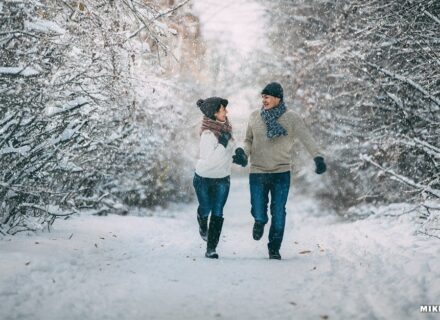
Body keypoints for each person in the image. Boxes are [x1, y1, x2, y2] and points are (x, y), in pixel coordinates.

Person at [232, 82, 327, 260]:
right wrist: (242, 153)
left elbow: (307, 138)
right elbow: (248, 140)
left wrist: (318, 157)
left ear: (278, 98)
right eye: (262, 97)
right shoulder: (254, 116)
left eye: (267, 96)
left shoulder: (292, 118)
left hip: (281, 172)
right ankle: (260, 221)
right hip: (258, 171)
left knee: (279, 210)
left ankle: (274, 247)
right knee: (258, 209)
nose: (264, 100)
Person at [193, 97, 235, 259]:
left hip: (222, 178)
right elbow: (211, 159)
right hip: (203, 178)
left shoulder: (227, 129)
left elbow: (231, 149)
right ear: (215, 113)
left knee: (217, 212)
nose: (227, 112)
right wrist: (223, 144)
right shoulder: (207, 134)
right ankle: (202, 219)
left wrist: (239, 153)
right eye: (224, 109)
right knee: (206, 207)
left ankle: (211, 248)